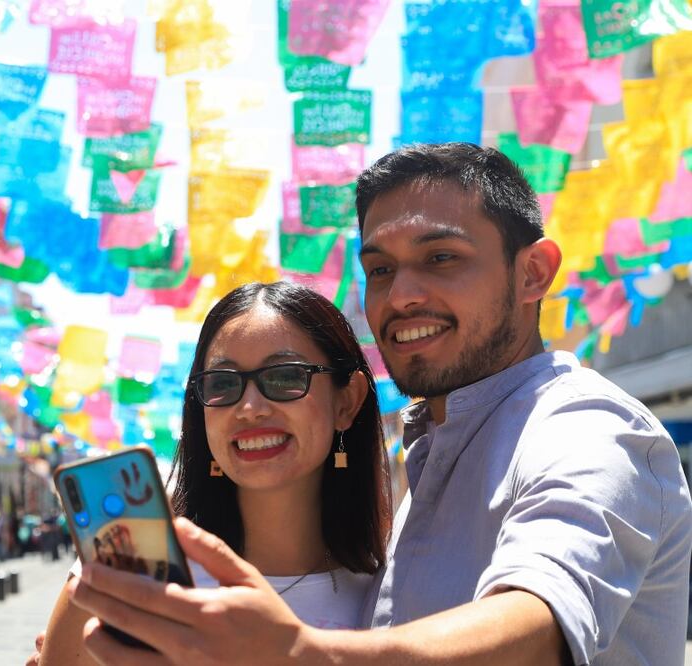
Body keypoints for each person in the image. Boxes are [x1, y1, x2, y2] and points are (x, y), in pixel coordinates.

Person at [63, 143, 692, 665]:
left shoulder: (585, 429)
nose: (403, 295)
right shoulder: (433, 459)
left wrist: (302, 654)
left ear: (533, 273)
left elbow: (539, 615)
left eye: (441, 258)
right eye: (381, 269)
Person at [36, 281, 394, 664]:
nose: (250, 407)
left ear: (347, 400)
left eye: (286, 377)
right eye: (223, 384)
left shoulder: (395, 587)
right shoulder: (129, 578)